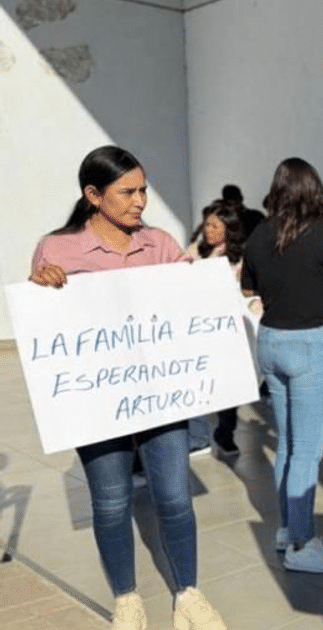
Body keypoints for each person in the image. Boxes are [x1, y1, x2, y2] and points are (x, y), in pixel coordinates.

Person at [29, 146, 227, 630]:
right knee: (112, 502)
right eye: (128, 192)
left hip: (160, 396)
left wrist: (194, 286)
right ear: (93, 195)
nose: (141, 201)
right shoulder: (57, 249)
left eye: (143, 189)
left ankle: (188, 593)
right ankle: (127, 598)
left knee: (176, 498)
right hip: (97, 403)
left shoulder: (158, 243)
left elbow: (184, 311)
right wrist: (40, 286)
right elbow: (46, 330)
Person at [241, 157, 323, 574]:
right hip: (312, 345)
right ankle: (301, 543)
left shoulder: (260, 233)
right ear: (314, 189)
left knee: (289, 444)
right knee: (307, 453)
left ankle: (286, 530)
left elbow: (248, 287)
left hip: (272, 340)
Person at [186, 199, 248, 455]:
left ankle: (225, 431)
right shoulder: (195, 251)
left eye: (214, 225)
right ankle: (196, 435)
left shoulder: (240, 258)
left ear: (228, 229)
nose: (208, 230)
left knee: (228, 386)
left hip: (225, 332)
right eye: (206, 225)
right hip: (195, 328)